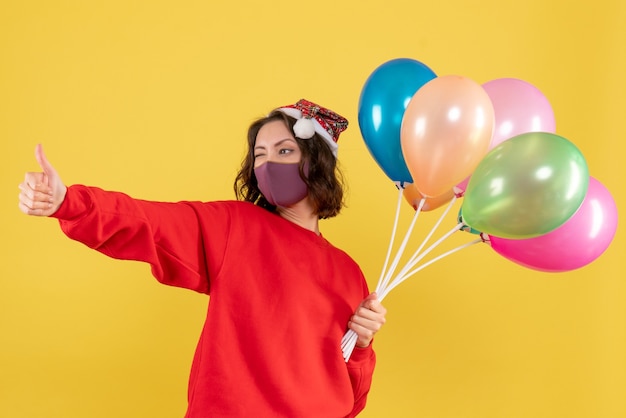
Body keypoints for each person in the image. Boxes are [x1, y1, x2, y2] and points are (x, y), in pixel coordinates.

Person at [18, 99, 387, 417]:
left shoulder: (350, 273)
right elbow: (149, 223)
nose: (268, 163)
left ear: (317, 161)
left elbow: (350, 400)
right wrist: (68, 202)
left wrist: (363, 346)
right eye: (260, 154)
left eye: (284, 150)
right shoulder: (235, 227)